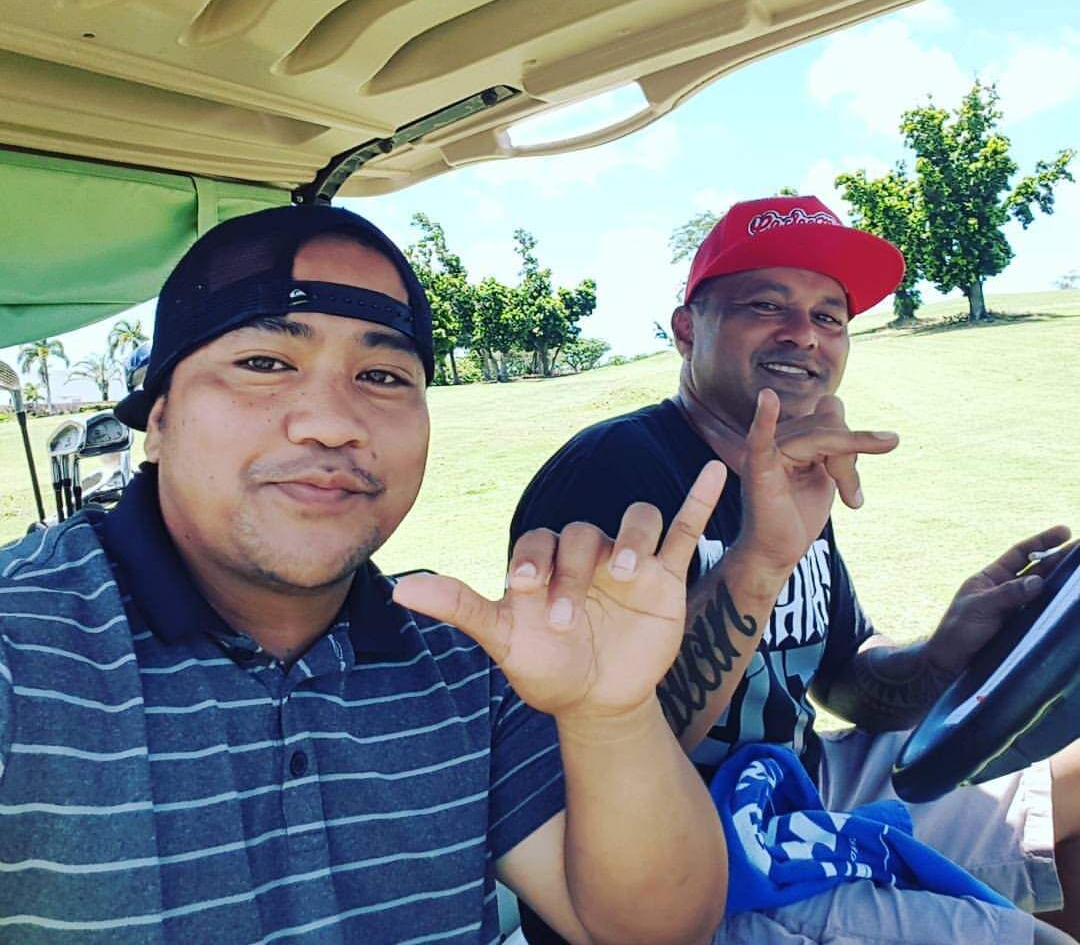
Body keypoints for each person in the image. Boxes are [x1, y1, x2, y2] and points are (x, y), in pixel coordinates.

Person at [0, 203, 735, 944]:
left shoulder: (464, 664)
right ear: (157, 420)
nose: (331, 420)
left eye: (382, 375)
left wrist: (608, 716)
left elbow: (655, 933)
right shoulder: (24, 644)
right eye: (264, 364)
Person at [511, 195, 1079, 944]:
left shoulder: (789, 466)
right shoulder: (612, 475)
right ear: (687, 330)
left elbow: (840, 681)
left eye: (829, 316)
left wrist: (944, 650)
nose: (804, 335)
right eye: (765, 306)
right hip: (693, 858)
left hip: (804, 789)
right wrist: (761, 557)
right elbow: (606, 760)